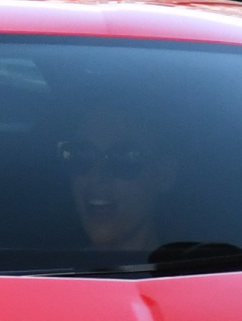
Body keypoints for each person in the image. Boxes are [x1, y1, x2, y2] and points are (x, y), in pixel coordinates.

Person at [59, 109, 178, 254]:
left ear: (164, 174)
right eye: (81, 156)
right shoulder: (43, 272)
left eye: (123, 159)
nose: (96, 177)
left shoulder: (201, 271)